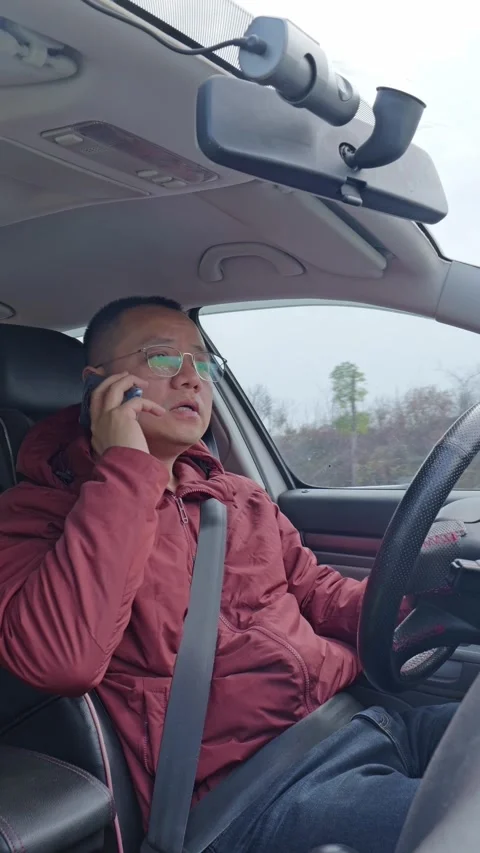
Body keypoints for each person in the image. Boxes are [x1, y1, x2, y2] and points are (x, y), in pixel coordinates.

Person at [0, 296, 456, 853]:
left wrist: (431, 593)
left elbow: (323, 595)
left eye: (203, 362)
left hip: (359, 722)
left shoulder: (237, 498)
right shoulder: (33, 515)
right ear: (99, 386)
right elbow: (60, 659)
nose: (192, 378)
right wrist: (127, 471)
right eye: (163, 359)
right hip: (258, 794)